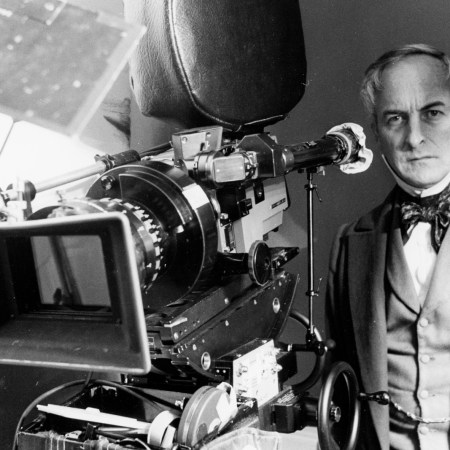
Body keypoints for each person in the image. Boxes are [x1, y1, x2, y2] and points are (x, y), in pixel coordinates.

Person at [326, 43, 450, 450]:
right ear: (377, 135)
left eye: (433, 113)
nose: (414, 137)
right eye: (395, 119)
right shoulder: (350, 244)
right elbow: (338, 392)